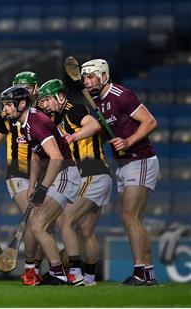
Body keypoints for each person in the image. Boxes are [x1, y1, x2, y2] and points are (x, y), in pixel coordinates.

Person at [82, 59, 159, 285]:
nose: (87, 81)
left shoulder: (121, 94)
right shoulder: (97, 100)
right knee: (133, 220)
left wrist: (128, 141)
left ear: (104, 75)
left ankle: (139, 273)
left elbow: (150, 121)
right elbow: (109, 130)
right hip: (124, 164)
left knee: (130, 217)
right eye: (85, 77)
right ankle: (148, 274)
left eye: (91, 76)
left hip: (140, 159)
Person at [0, 86, 81, 285]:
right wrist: (32, 185)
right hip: (56, 174)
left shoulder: (37, 122)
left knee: (38, 225)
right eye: (4, 105)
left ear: (22, 104)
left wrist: (43, 189)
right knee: (38, 226)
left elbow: (56, 158)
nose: (6, 109)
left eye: (9, 105)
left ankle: (61, 275)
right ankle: (60, 273)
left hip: (64, 173)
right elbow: (36, 156)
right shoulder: (24, 124)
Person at [37, 79, 112, 286]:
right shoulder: (58, 118)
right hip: (96, 175)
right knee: (86, 232)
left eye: (47, 100)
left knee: (65, 221)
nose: (44, 104)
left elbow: (94, 125)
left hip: (91, 174)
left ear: (61, 97)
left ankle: (75, 275)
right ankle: (89, 279)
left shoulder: (74, 111)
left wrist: (73, 137)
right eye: (41, 101)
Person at [0, 71, 44, 285]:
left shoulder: (45, 111)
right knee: (34, 220)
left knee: (44, 225)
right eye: (19, 86)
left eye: (27, 87)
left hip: (45, 174)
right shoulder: (8, 114)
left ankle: (40, 270)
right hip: (18, 173)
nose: (24, 91)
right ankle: (30, 271)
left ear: (35, 88)